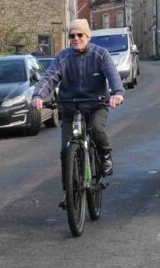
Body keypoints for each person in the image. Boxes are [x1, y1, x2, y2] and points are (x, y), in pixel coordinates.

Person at [31, 19, 124, 207]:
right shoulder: (63, 57)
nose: (75, 38)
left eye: (79, 35)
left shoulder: (101, 55)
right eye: (72, 35)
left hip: (95, 104)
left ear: (87, 36)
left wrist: (117, 93)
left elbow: (113, 76)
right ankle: (70, 192)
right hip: (70, 107)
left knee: (96, 129)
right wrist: (38, 95)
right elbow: (49, 78)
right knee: (66, 150)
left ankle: (105, 155)